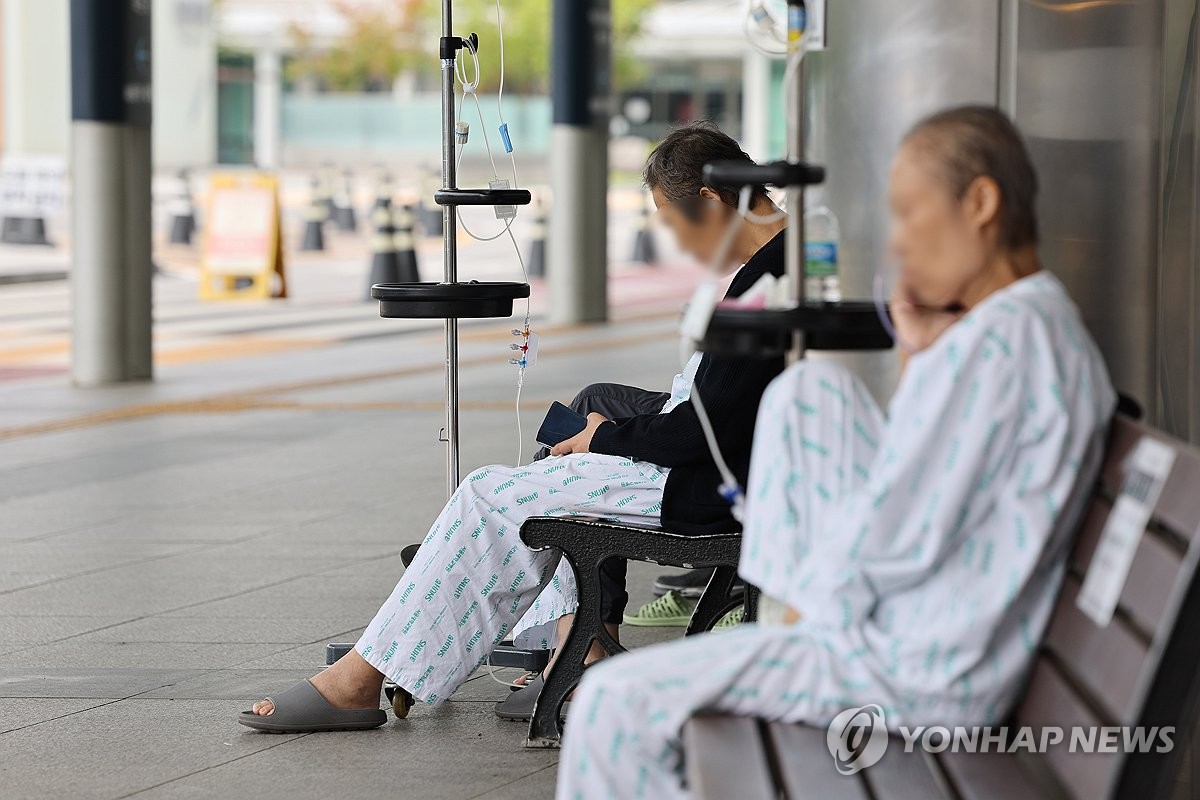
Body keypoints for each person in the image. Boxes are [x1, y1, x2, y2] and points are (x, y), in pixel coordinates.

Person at [554, 106, 1115, 799]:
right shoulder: (1018, 327)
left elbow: (896, 543)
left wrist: (808, 611)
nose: (899, 243)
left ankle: (781, 620)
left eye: (910, 214)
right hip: (915, 639)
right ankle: (779, 617)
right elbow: (923, 502)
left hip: (915, 668)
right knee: (812, 393)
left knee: (614, 705)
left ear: (980, 202)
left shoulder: (1004, 346)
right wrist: (922, 354)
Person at [237, 121, 791, 732]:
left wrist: (602, 440)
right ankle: (575, 650)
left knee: (489, 493)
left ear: (710, 202)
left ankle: (360, 682)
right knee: (565, 442)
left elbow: (700, 434)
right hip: (736, 469)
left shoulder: (765, 281)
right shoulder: (787, 260)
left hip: (709, 486)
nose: (676, 242)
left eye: (672, 221)